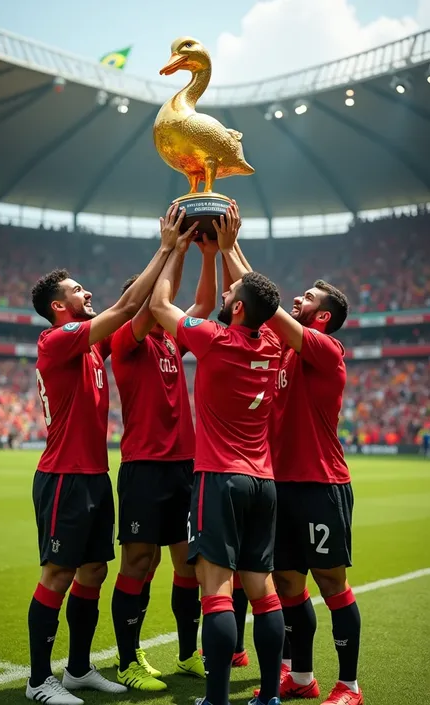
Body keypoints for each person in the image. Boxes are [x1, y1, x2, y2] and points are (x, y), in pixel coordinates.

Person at [26, 222, 186, 705]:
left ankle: (76, 670)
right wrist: (165, 247)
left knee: (92, 571)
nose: (87, 290)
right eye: (77, 289)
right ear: (60, 307)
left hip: (94, 477)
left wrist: (175, 254)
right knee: (57, 574)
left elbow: (137, 310)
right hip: (63, 478)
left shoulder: (92, 344)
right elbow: (123, 308)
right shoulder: (57, 341)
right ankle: (38, 680)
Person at [150, 203, 284, 705]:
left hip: (219, 478)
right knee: (263, 590)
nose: (224, 295)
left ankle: (218, 699)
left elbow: (162, 306)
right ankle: (268, 696)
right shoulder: (271, 341)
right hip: (263, 482)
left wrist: (175, 247)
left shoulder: (213, 341)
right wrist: (225, 252)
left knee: (217, 591)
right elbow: (252, 294)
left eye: (230, 295)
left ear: (239, 310)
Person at [232, 240, 363, 705]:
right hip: (280, 487)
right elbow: (260, 297)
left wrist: (230, 246)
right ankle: (302, 676)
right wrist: (230, 249)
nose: (297, 299)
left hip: (320, 485)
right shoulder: (284, 349)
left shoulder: (327, 349)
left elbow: (268, 304)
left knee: (332, 584)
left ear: (322, 316)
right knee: (288, 584)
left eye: (307, 298)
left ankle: (349, 686)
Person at [111, 204, 217, 690]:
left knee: (187, 564)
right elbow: (151, 302)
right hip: (145, 468)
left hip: (183, 468)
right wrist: (170, 250)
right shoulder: (125, 341)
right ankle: (129, 661)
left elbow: (205, 304)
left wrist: (207, 255)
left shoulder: (173, 341)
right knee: (140, 563)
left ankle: (187, 654)